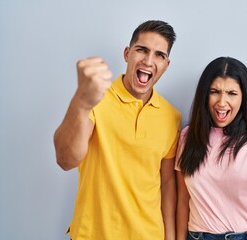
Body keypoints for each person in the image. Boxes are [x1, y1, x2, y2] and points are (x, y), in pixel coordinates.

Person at [53, 20, 181, 240]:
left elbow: (168, 183)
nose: (149, 61)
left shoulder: (171, 116)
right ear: (127, 53)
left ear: (166, 64)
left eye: (159, 55)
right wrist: (82, 102)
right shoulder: (95, 99)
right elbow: (66, 160)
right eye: (142, 50)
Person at [175, 57, 247, 240]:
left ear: (243, 97)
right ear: (204, 94)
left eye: (231, 93)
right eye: (214, 91)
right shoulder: (187, 136)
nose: (222, 102)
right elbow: (183, 199)